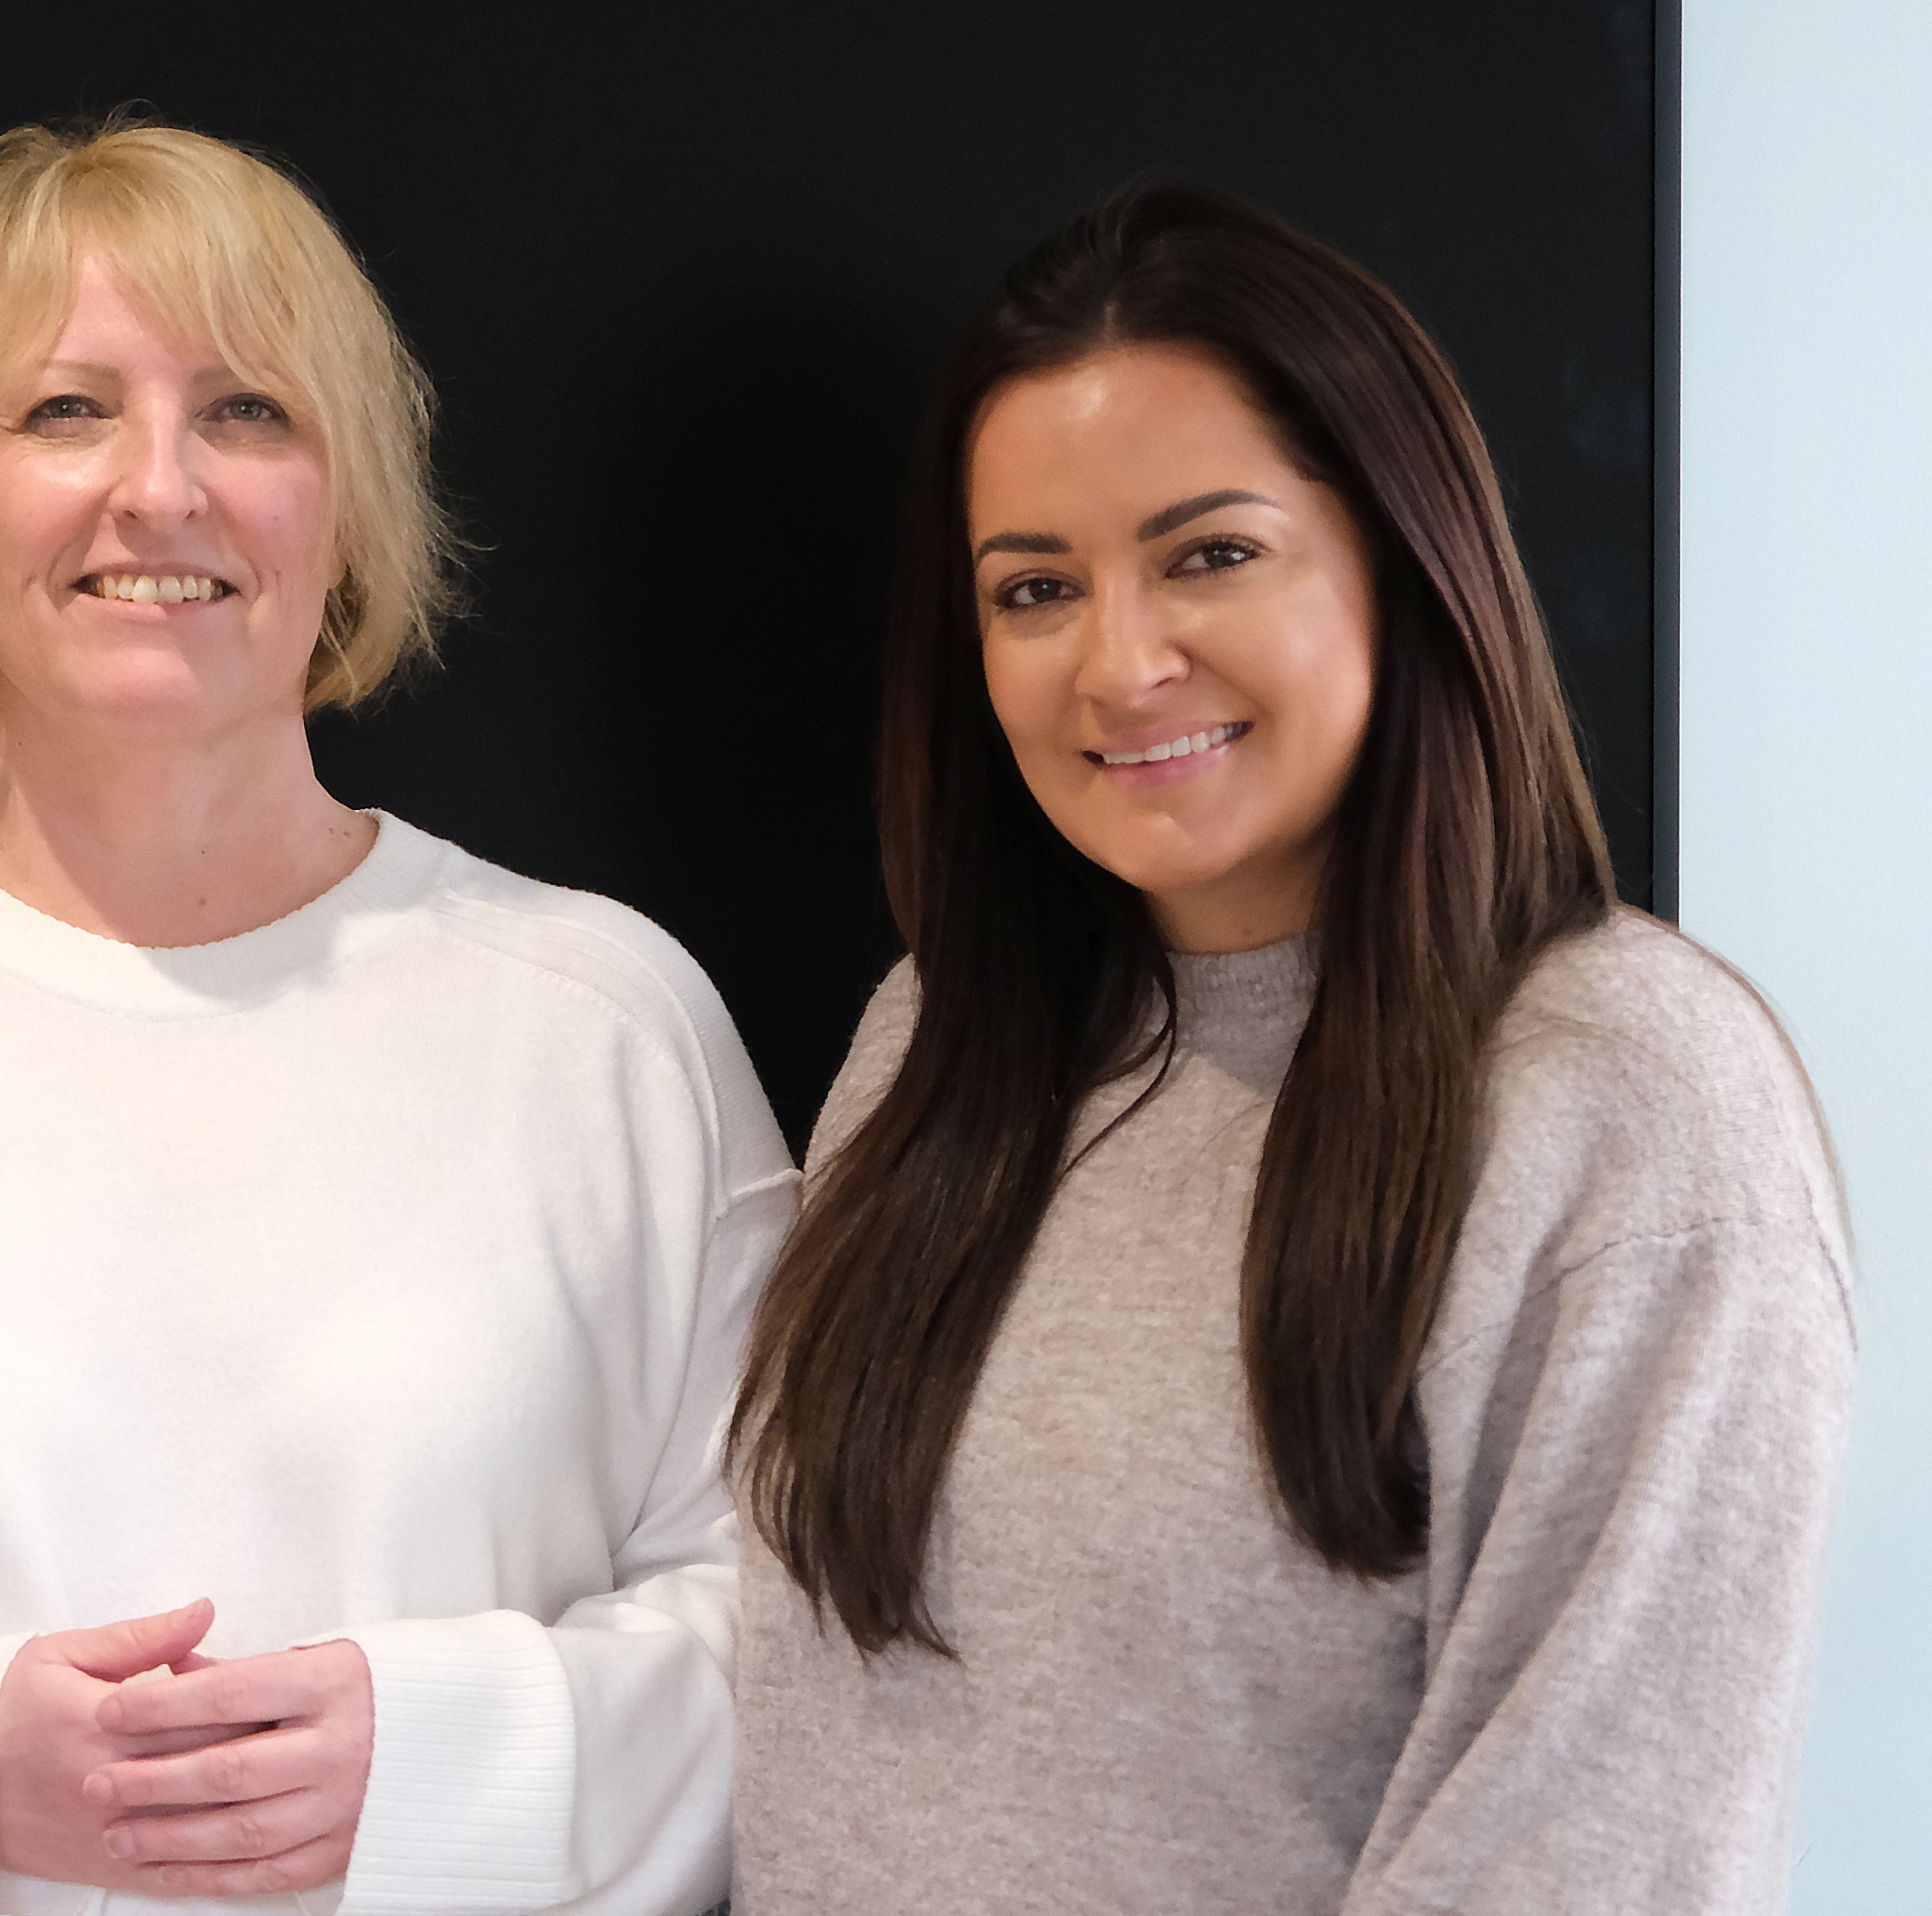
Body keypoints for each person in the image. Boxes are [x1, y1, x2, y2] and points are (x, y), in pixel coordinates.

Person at [0, 118, 795, 1915]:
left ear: (350, 500)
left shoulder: (614, 1027)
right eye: (65, 412)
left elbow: (805, 1619)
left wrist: (445, 1754)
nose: (161, 489)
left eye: (249, 413)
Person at [726, 183, 1853, 1912]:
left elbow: (1589, 1869)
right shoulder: (937, 1045)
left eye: (1211, 555)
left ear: (1404, 557)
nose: (1118, 662)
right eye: (1035, 589)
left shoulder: (1625, 1107)